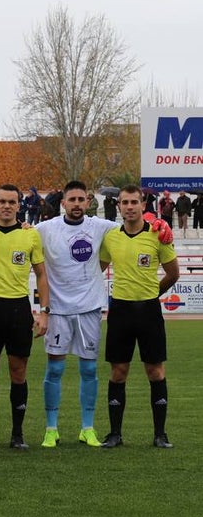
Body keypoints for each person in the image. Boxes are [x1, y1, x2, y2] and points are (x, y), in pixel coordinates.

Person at [34, 181, 119, 448]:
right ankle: (51, 429)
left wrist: (158, 224)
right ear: (63, 203)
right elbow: (19, 232)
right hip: (58, 309)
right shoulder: (45, 229)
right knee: (55, 368)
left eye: (81, 199)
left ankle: (87, 428)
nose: (77, 204)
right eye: (72, 200)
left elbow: (132, 226)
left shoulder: (100, 226)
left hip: (89, 308)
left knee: (90, 368)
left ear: (88, 202)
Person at [0, 184, 50, 449]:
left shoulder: (31, 235)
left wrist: (44, 311)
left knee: (19, 372)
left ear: (19, 205)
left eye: (11, 202)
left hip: (18, 309)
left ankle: (17, 435)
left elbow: (41, 273)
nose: (6, 206)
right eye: (1, 201)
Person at [99, 186, 179, 448]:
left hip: (148, 310)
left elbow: (173, 273)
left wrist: (152, 293)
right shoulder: (110, 237)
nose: (129, 206)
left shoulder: (157, 235)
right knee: (118, 371)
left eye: (134, 201)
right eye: (125, 202)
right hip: (120, 310)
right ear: (118, 206)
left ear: (143, 204)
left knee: (155, 371)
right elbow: (96, 268)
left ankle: (160, 434)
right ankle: (115, 434)